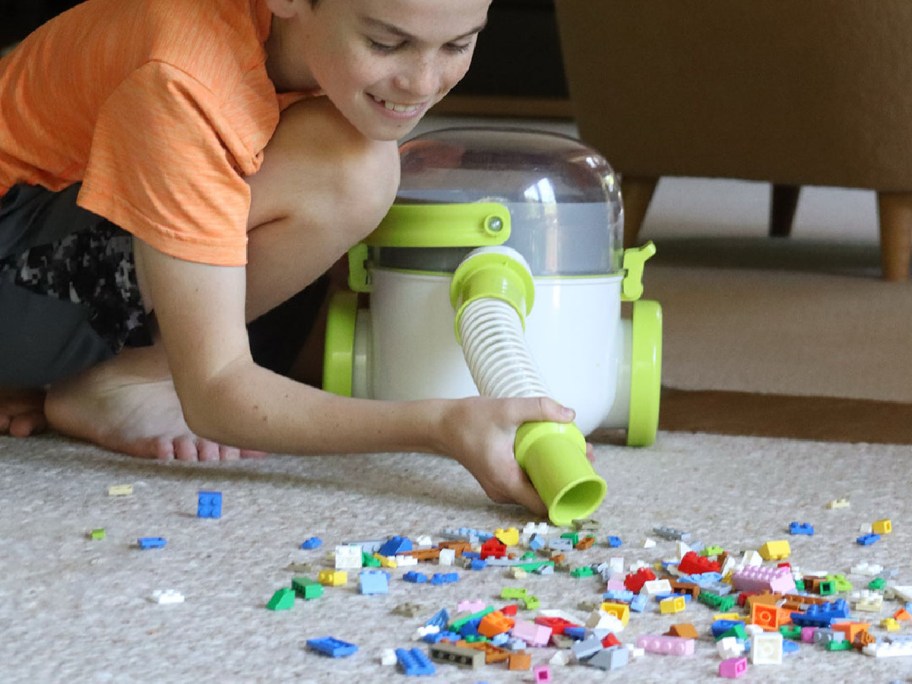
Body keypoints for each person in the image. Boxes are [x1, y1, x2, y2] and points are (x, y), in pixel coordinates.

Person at [0, 0, 583, 517]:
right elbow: (220, 393)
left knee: (349, 156)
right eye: (386, 42)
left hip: (47, 236)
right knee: (354, 167)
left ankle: (112, 377)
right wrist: (439, 425)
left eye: (458, 44)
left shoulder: (283, 50)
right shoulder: (182, 80)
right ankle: (126, 377)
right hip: (14, 254)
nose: (422, 83)